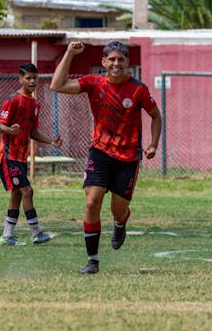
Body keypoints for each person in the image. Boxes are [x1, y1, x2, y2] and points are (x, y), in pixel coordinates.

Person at [50, 41, 162, 274]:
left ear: (128, 63)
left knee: (118, 210)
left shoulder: (138, 89)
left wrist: (152, 144)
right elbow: (57, 85)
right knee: (92, 202)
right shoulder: (94, 83)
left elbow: (155, 116)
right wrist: (69, 53)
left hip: (128, 158)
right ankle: (92, 260)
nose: (116, 63)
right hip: (99, 153)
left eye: (120, 59)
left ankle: (121, 224)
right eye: (111, 59)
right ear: (103, 62)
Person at [0, 63, 62, 246]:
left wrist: (51, 141)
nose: (32, 81)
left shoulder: (35, 104)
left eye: (35, 78)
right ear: (20, 79)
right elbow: (0, 126)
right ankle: (36, 233)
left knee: (17, 194)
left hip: (21, 158)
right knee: (28, 191)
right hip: (8, 157)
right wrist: (10, 130)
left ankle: (7, 236)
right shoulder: (12, 100)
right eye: (28, 78)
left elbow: (33, 132)